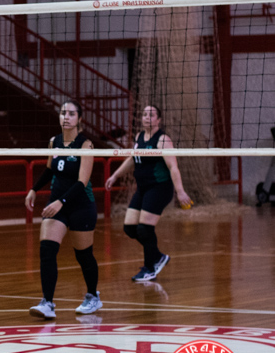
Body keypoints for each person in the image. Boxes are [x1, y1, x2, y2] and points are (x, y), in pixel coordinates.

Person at [24, 100, 101, 319]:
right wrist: (34, 189)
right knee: (47, 250)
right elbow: (50, 169)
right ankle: (47, 303)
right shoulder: (54, 142)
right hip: (57, 204)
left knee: (84, 255)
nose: (66, 117)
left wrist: (61, 202)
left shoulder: (85, 145)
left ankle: (93, 296)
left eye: (71, 114)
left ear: (79, 119)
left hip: (81, 205)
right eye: (63, 113)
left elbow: (82, 182)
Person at [105, 105, 193, 282]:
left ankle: (150, 269)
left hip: (159, 188)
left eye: (151, 115)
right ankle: (158, 256)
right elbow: (133, 159)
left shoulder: (163, 140)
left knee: (144, 228)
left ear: (158, 120)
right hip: (143, 189)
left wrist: (180, 191)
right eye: (144, 114)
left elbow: (173, 167)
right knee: (130, 228)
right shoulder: (139, 137)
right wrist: (115, 175)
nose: (146, 117)